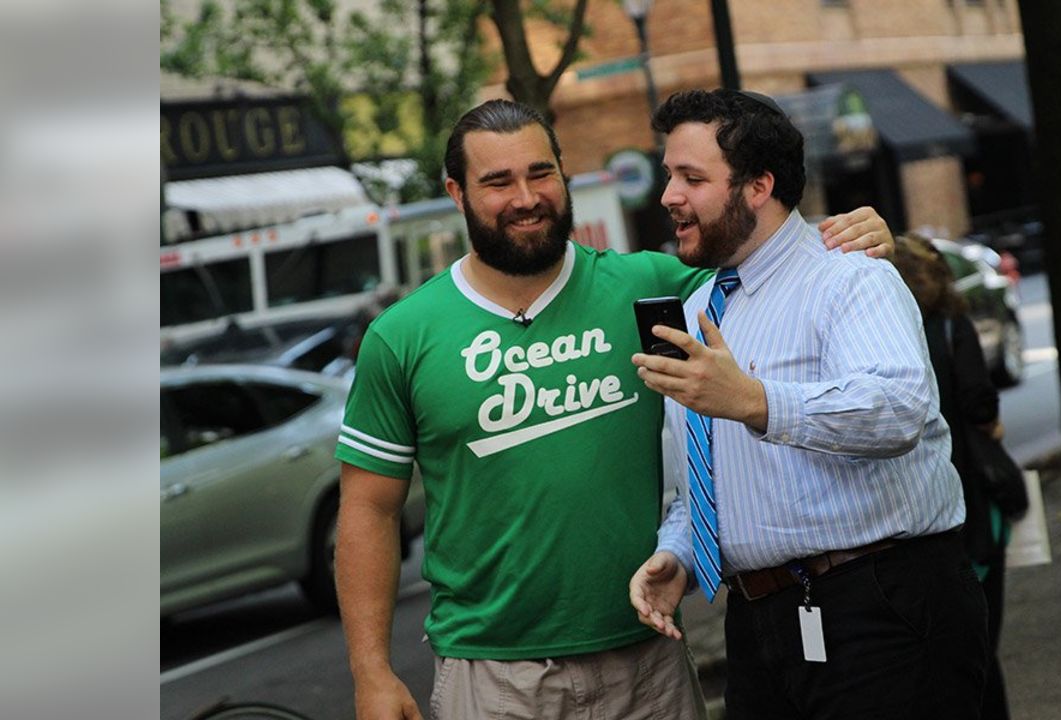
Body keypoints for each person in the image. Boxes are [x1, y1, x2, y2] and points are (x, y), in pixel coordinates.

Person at [332, 98, 895, 720]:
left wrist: (840, 236)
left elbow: (767, 263)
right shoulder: (401, 336)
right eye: (497, 182)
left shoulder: (652, 287)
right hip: (493, 676)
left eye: (540, 173)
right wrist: (371, 672)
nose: (525, 197)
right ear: (457, 193)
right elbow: (368, 511)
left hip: (648, 658)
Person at [628, 89, 989, 720]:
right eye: (668, 177)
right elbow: (704, 477)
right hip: (758, 620)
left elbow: (899, 405)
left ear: (759, 185)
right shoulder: (697, 310)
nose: (668, 197)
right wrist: (678, 553)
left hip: (877, 605)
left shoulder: (850, 275)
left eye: (692, 177)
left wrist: (756, 400)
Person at [892, 233, 1013, 720]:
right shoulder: (949, 325)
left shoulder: (890, 327)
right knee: (982, 645)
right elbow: (980, 399)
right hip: (975, 502)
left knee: (937, 654)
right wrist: (989, 426)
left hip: (921, 508)